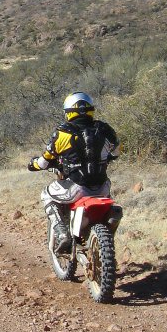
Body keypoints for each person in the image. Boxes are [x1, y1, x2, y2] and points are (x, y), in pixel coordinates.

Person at [27, 92, 120, 252]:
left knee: (47, 195)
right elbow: (116, 152)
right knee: (109, 200)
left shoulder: (63, 133)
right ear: (90, 109)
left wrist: (33, 164)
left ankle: (63, 234)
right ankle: (107, 233)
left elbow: (44, 162)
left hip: (77, 188)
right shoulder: (105, 129)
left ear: (68, 112)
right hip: (102, 187)